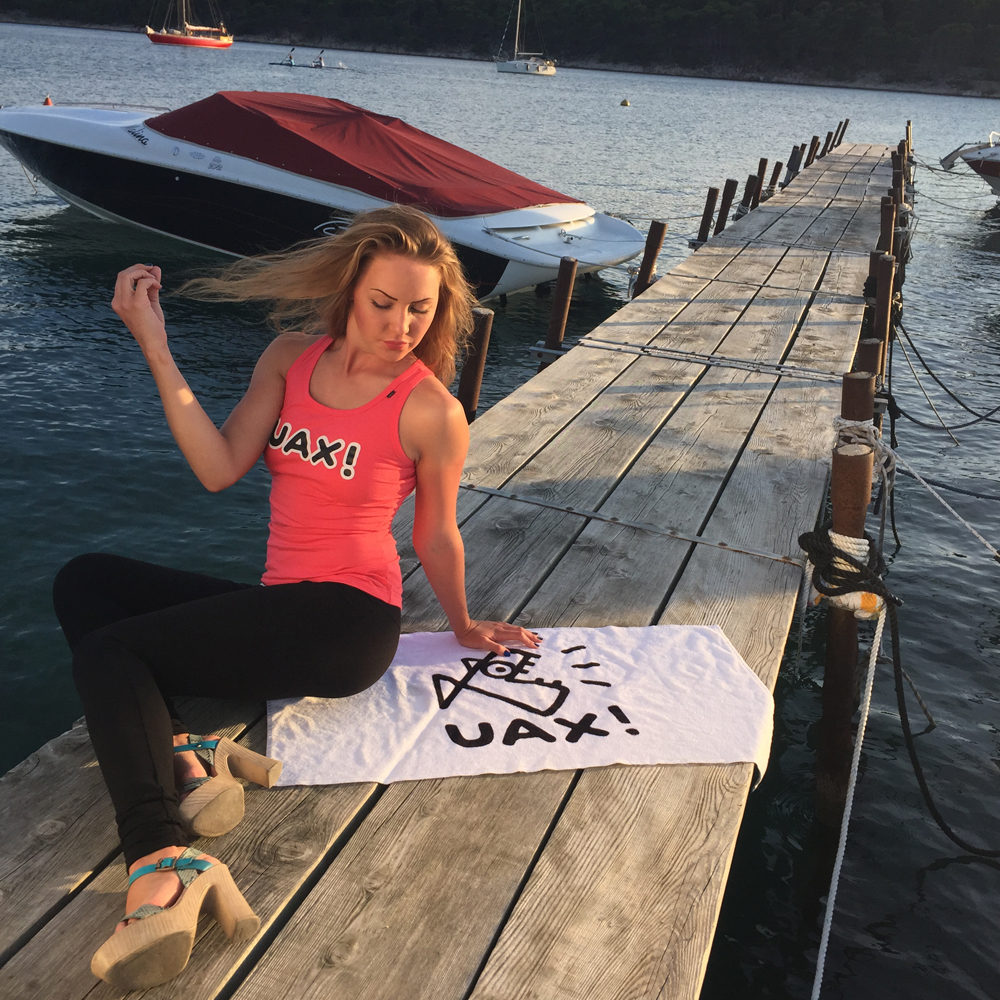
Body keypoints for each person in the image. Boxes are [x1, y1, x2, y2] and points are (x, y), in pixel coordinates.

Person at [52, 206, 540, 991]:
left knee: (113, 653)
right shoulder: (289, 358)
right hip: (283, 602)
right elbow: (219, 468)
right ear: (349, 292)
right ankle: (184, 754)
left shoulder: (429, 409)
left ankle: (161, 858)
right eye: (383, 303)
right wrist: (155, 344)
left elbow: (436, 535)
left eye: (420, 309)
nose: (401, 326)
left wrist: (462, 622)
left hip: (349, 621)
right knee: (86, 581)